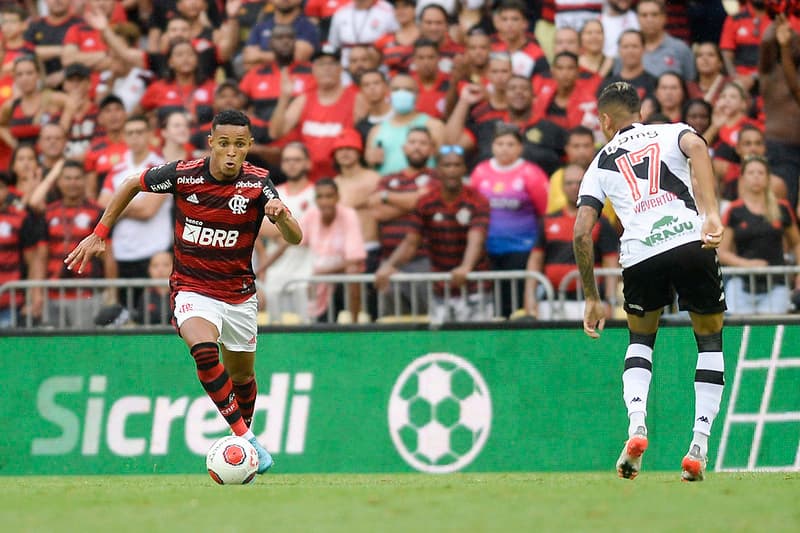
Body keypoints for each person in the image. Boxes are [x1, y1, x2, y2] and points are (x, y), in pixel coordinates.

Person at [66, 109, 303, 475]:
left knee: (242, 377)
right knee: (204, 351)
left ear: (249, 146)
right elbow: (130, 183)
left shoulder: (259, 183)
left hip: (239, 294)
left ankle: (243, 439)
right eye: (223, 143)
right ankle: (247, 439)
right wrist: (100, 233)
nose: (231, 151)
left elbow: (295, 237)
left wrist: (282, 216)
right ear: (211, 142)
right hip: (193, 288)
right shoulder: (184, 174)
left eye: (239, 144)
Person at [573, 82, 725, 482]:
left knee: (641, 340)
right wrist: (710, 212)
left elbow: (581, 232)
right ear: (640, 112)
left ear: (605, 120)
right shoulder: (672, 131)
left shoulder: (599, 163)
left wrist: (591, 297)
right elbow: (698, 148)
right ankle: (698, 446)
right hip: (689, 241)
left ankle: (637, 425)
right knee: (709, 340)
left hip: (641, 254)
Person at [375, 146, 492, 324]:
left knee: (478, 339)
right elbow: (411, 241)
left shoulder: (478, 200)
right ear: (437, 170)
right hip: (441, 288)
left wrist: (466, 267)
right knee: (441, 340)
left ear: (464, 169)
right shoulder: (426, 202)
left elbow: (477, 237)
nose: (452, 170)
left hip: (475, 286)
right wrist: (389, 266)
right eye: (447, 165)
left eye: (457, 165)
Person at [718, 155, 800, 314]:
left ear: (768, 178)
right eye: (751, 172)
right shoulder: (734, 210)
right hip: (741, 284)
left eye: (761, 173)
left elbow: (797, 243)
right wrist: (745, 264)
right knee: (737, 326)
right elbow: (722, 252)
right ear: (742, 178)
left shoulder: (782, 208)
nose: (756, 176)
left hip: (776, 284)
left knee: (772, 325)